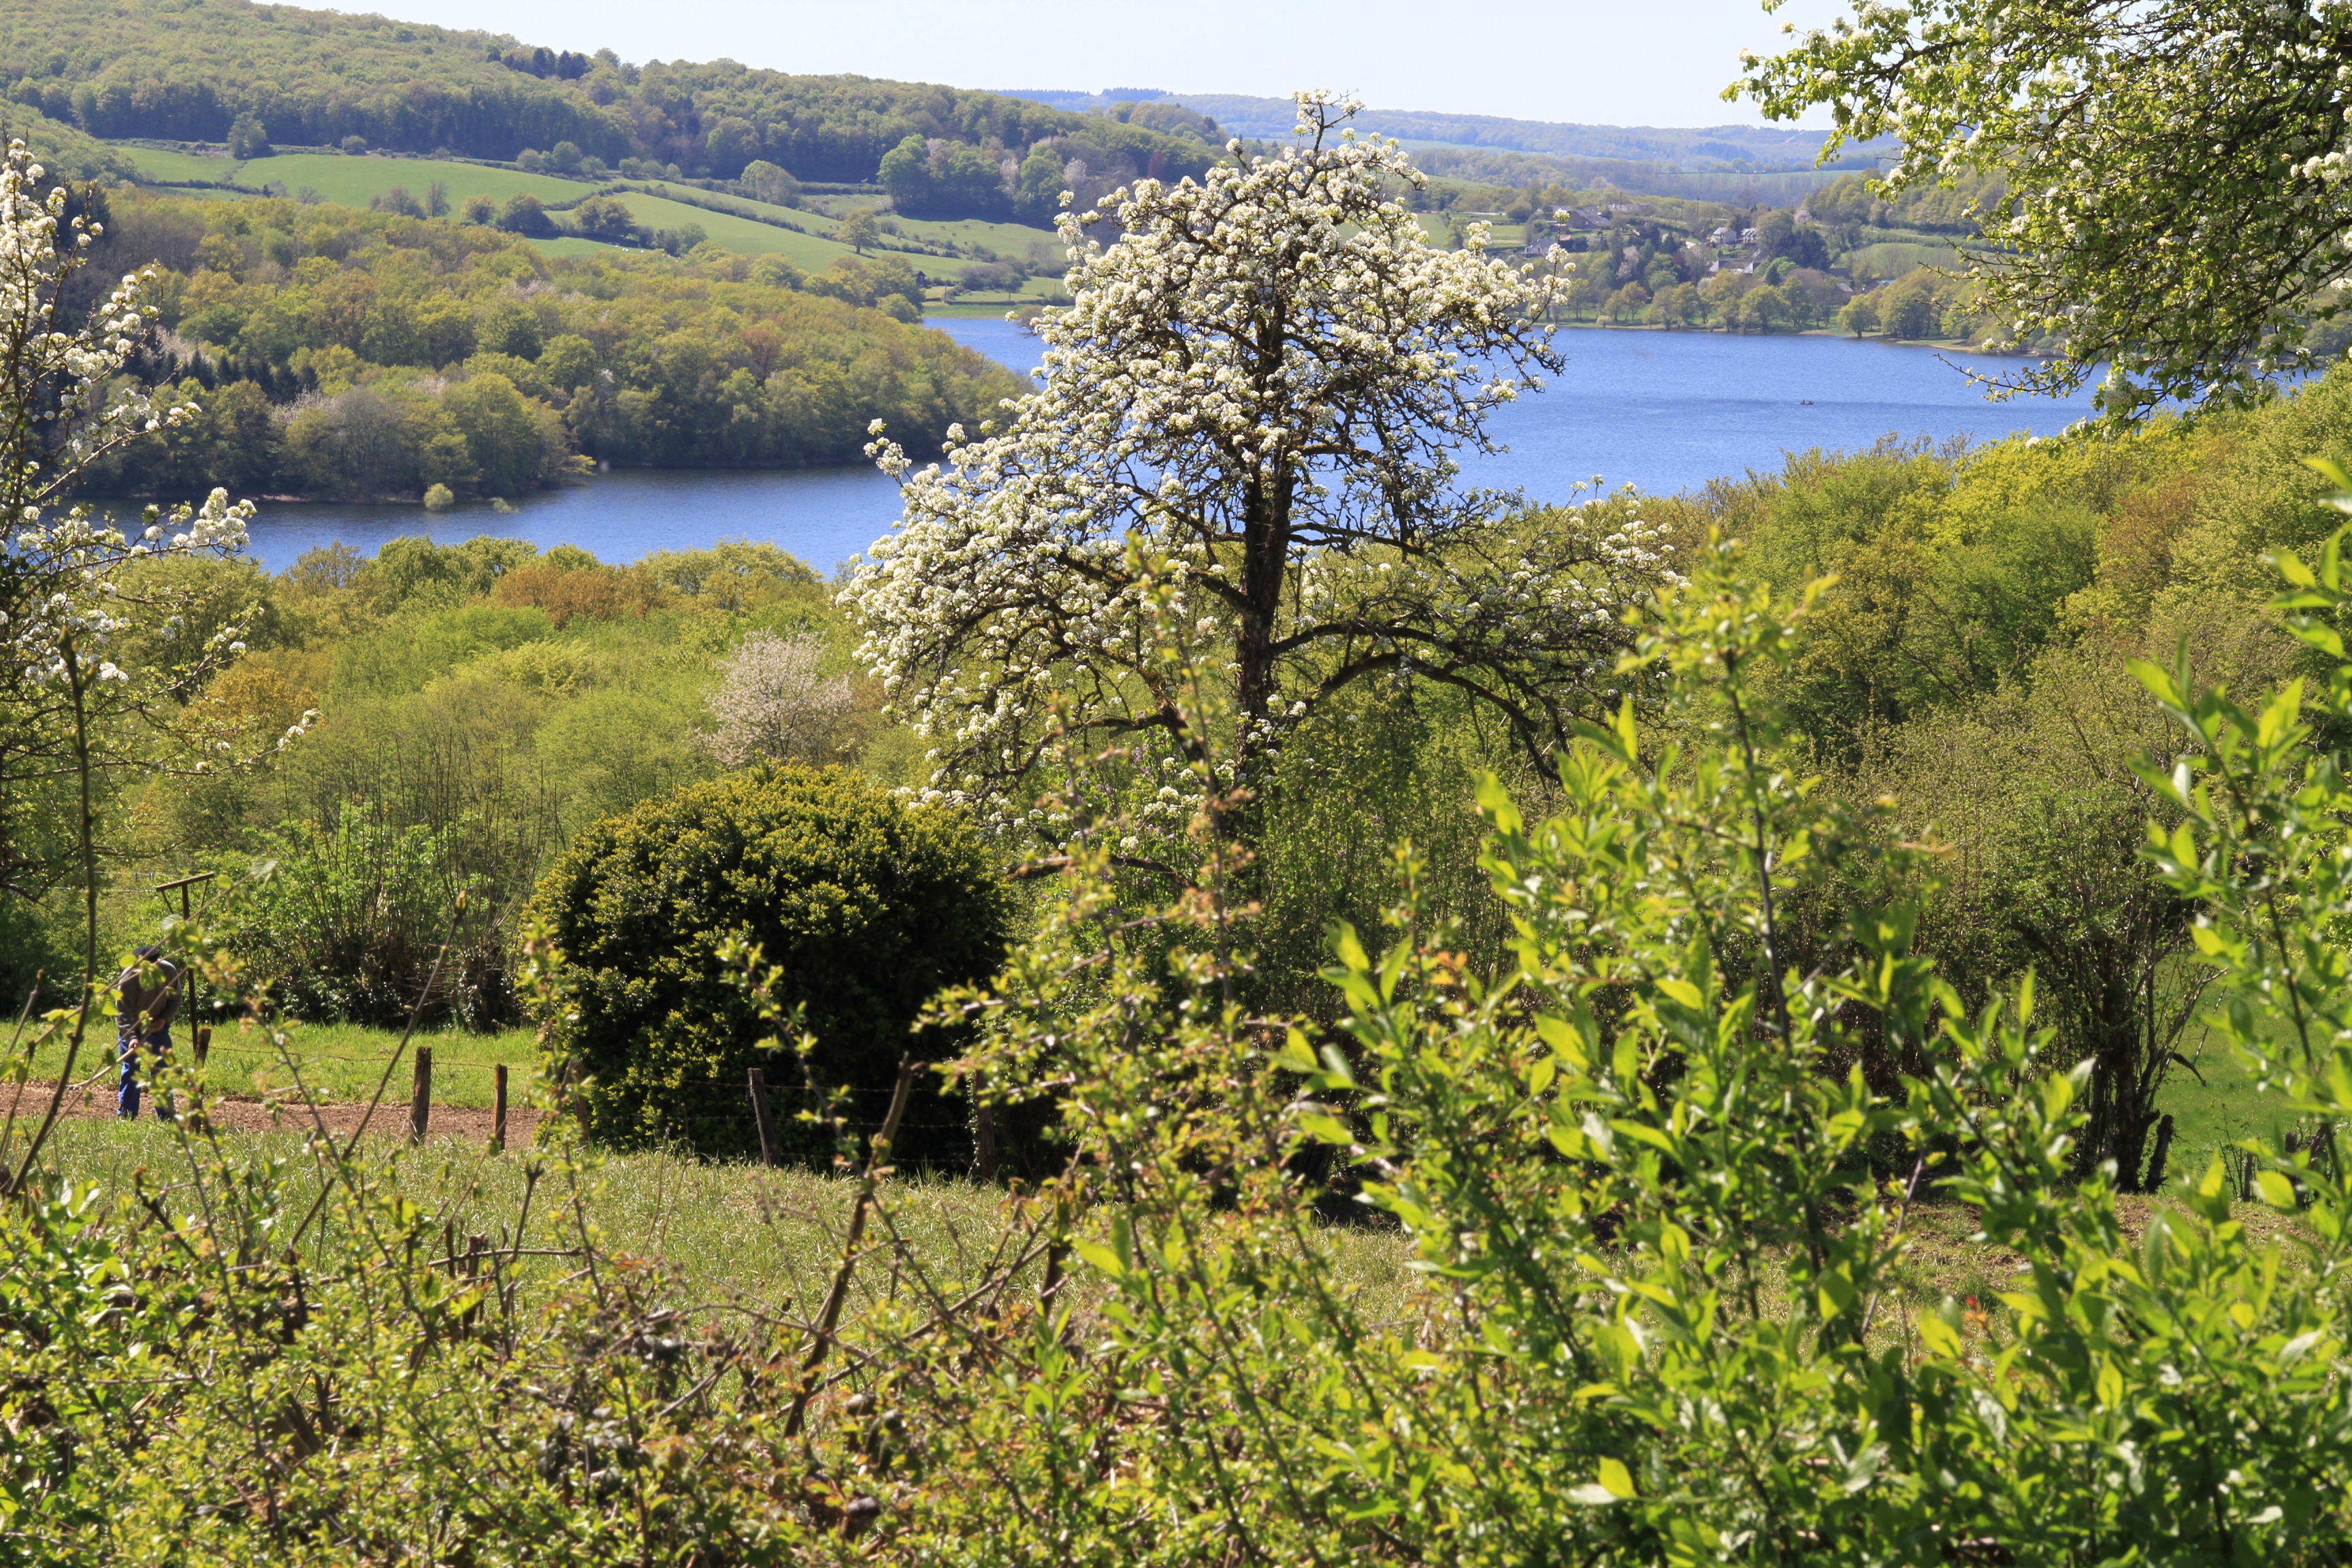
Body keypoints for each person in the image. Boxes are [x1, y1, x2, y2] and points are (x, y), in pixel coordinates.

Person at [115, 945, 180, 1122]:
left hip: (157, 1028)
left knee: (161, 1071)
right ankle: (127, 1116)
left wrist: (164, 1019)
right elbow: (122, 1011)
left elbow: (175, 1000)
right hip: (132, 1027)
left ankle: (167, 1116)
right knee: (131, 1070)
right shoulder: (129, 977)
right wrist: (132, 1037)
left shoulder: (169, 971)